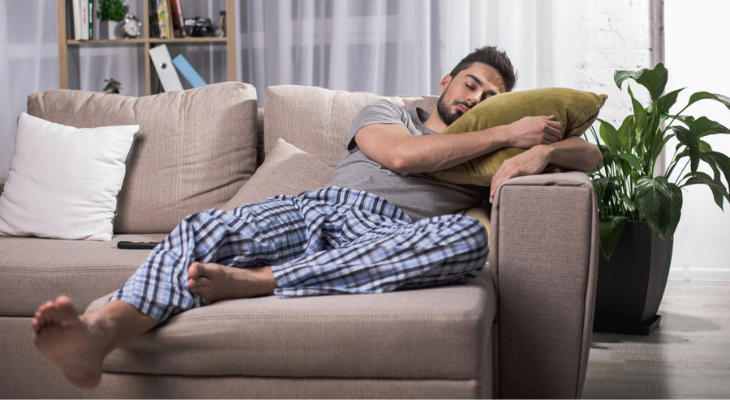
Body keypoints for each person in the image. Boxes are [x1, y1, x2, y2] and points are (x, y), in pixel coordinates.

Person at [31, 46, 603, 389]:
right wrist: (510, 132)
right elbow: (401, 157)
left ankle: (259, 283)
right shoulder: (391, 113)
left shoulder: (490, 151)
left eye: (492, 95)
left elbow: (595, 153)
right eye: (470, 84)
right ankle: (102, 330)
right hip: (320, 209)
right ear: (444, 84)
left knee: (465, 243)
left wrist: (544, 150)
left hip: (389, 235)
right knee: (205, 228)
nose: (476, 98)